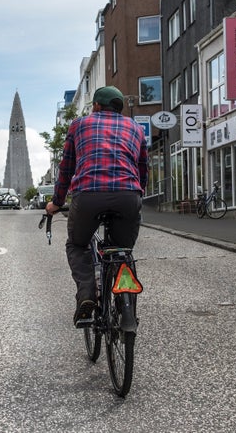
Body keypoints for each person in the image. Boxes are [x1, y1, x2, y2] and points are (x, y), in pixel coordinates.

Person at [45, 86, 148, 327]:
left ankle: (87, 296)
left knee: (77, 244)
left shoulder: (79, 125)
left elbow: (66, 169)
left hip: (89, 195)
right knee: (122, 250)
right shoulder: (136, 128)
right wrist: (137, 194)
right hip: (128, 195)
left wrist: (57, 203)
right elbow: (142, 169)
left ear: (97, 106)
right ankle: (126, 306)